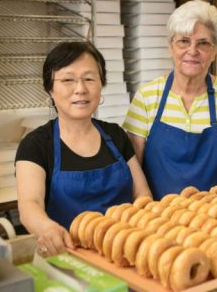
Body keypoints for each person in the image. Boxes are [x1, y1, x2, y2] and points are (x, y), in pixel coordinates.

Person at [16, 41, 151, 257]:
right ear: (50, 89)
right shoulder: (36, 144)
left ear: (100, 84)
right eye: (68, 80)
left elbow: (141, 193)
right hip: (68, 259)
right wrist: (47, 228)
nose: (80, 89)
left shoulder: (116, 135)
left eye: (89, 79)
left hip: (124, 256)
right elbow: (29, 205)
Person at [123, 0, 217, 199]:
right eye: (183, 41)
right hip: (158, 220)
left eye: (203, 43)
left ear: (214, 50)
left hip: (216, 219)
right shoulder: (147, 97)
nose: (192, 51)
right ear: (170, 46)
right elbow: (133, 172)